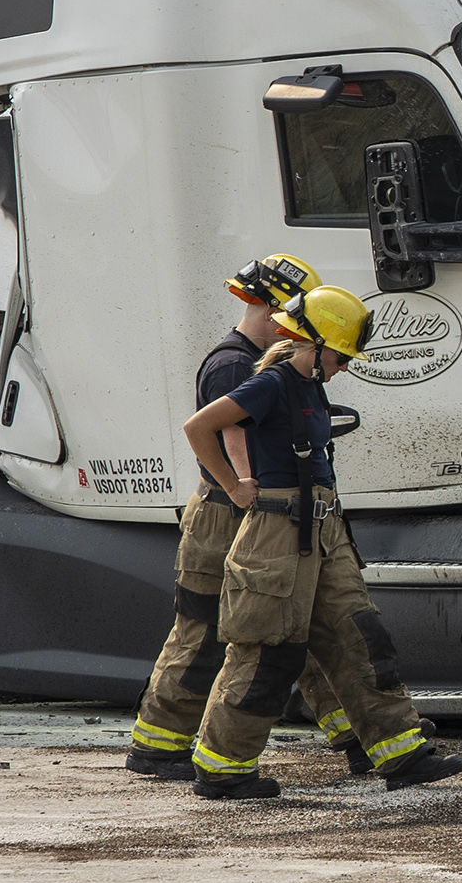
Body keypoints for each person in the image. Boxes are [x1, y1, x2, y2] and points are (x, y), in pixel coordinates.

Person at [182, 286, 462, 799]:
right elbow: (199, 427)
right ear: (313, 345)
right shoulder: (270, 382)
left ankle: (400, 751)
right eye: (341, 356)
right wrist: (234, 486)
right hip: (276, 534)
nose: (345, 367)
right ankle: (222, 768)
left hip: (323, 529)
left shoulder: (312, 385)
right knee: (266, 651)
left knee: (359, 634)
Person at [125, 254, 361, 781]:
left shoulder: (274, 364)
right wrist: (244, 490)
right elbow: (229, 436)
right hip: (228, 517)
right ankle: (158, 746)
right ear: (276, 305)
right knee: (204, 632)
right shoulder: (235, 365)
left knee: (296, 628)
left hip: (263, 518)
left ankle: (357, 733)